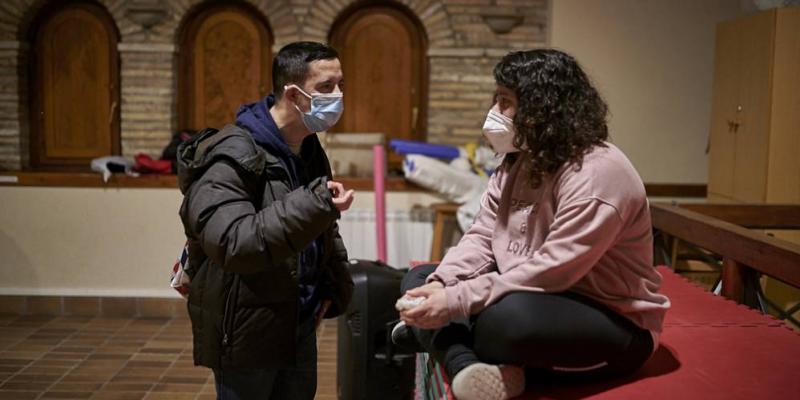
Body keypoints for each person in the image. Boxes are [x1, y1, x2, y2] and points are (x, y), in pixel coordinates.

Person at [394, 49, 671, 400]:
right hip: (533, 292)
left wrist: (455, 302)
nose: (495, 112)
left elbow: (552, 271)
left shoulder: (598, 173)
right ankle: (467, 367)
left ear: (543, 108)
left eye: (506, 101)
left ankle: (442, 339)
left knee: (503, 320)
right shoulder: (519, 160)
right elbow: (483, 235)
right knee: (421, 277)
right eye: (497, 98)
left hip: (612, 318)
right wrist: (442, 284)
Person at [177, 41, 355, 400]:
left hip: (298, 319)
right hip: (248, 328)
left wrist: (332, 285)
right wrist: (314, 204)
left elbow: (321, 227)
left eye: (340, 85)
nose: (337, 96)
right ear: (293, 94)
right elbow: (234, 242)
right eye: (325, 87)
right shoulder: (232, 154)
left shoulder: (308, 148)